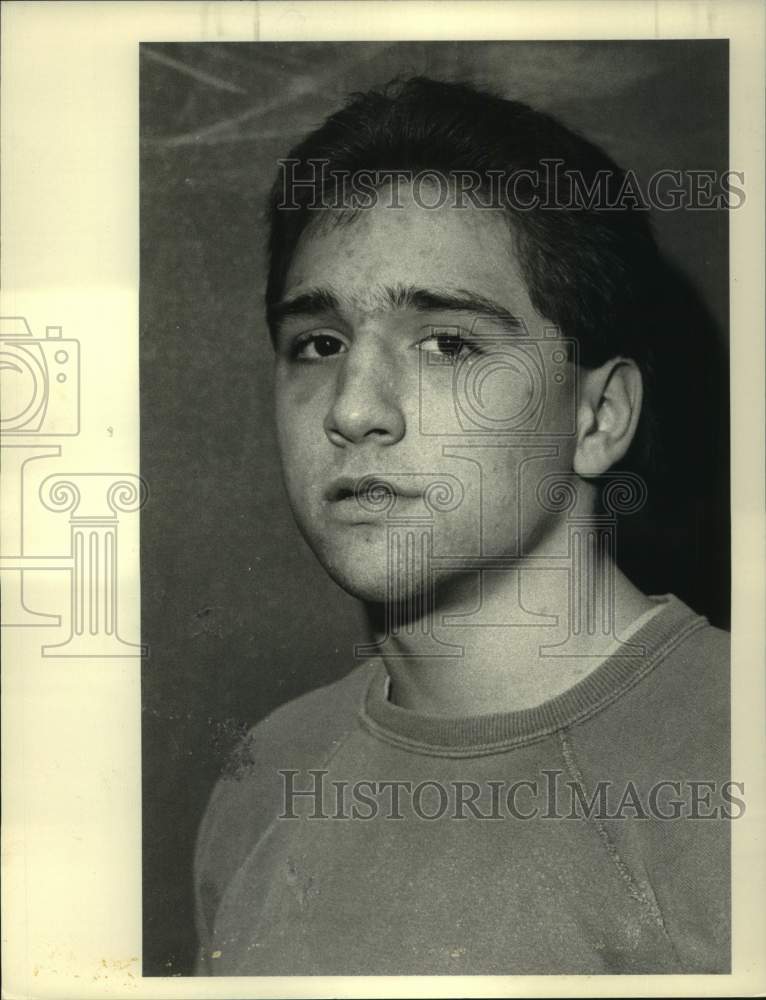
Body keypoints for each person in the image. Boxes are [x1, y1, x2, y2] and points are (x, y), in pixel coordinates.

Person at [193, 77, 731, 975]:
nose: (355, 410)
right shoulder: (267, 773)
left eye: (449, 343)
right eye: (318, 345)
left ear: (598, 417)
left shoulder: (729, 764)